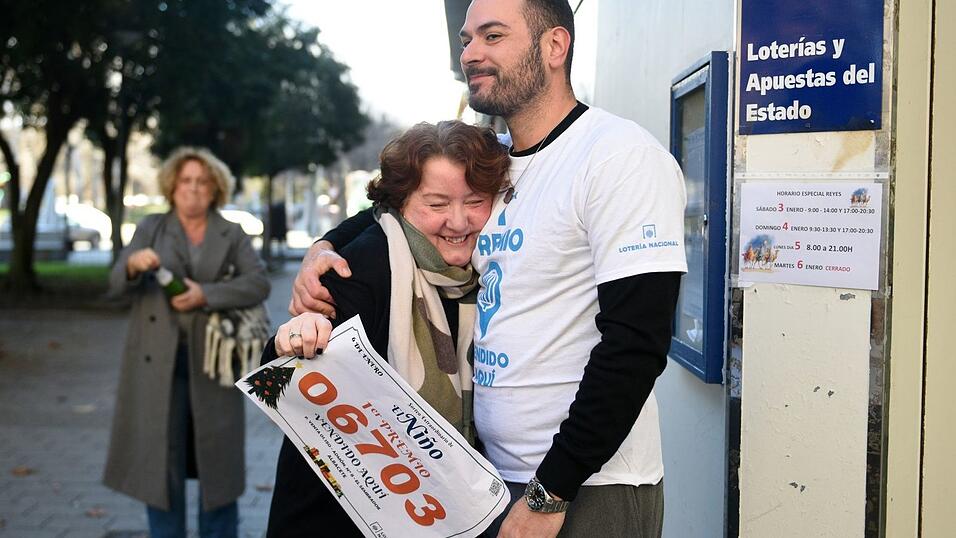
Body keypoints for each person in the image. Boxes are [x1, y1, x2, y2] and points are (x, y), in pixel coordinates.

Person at [289, 1, 687, 536]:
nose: (470, 53)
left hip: (588, 484)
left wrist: (552, 491)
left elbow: (636, 342)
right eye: (467, 39)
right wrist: (321, 247)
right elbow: (394, 206)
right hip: (489, 479)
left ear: (554, 46)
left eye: (493, 36)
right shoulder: (494, 163)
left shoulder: (617, 157)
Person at [260, 120, 510, 537]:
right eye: (436, 204)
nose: (459, 221)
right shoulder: (365, 263)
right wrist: (296, 336)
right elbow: (278, 372)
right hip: (335, 518)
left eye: (475, 200)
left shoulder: (488, 270)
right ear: (401, 203)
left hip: (436, 516)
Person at [104, 147, 270, 538]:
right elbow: (114, 283)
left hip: (213, 362)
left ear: (215, 190)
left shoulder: (232, 233)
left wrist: (206, 294)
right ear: (172, 186)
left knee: (218, 465)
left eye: (202, 182)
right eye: (186, 181)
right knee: (161, 464)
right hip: (154, 365)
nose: (193, 189)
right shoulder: (151, 228)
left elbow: (258, 283)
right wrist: (132, 264)